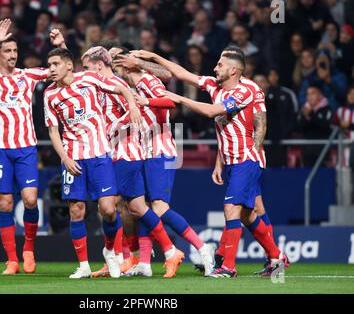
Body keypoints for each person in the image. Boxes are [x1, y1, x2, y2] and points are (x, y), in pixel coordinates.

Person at [132, 49, 288, 278]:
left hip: (246, 158)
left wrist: (176, 97)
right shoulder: (215, 86)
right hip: (231, 159)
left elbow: (212, 112)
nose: (215, 69)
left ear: (233, 70)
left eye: (220, 65)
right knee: (249, 214)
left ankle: (228, 267)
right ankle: (277, 257)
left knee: (232, 208)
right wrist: (153, 57)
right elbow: (183, 74)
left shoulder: (244, 91)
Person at [112, 49, 215, 277]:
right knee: (144, 207)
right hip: (148, 151)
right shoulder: (132, 87)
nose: (114, 67)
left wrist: (145, 100)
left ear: (127, 65)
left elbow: (170, 101)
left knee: (158, 207)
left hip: (161, 149)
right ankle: (146, 263)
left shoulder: (146, 80)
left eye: (117, 62)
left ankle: (202, 248)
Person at [44, 47, 140, 279]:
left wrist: (133, 105)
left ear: (69, 65)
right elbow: (54, 131)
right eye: (49, 65)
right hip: (73, 158)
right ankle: (84, 265)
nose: (51, 69)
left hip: (99, 155)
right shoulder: (49, 95)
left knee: (108, 210)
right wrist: (64, 157)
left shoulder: (88, 78)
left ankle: (109, 251)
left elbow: (121, 87)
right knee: (76, 211)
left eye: (55, 64)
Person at [0, 19, 51, 275]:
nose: (13, 56)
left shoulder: (28, 75)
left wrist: (61, 46)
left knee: (30, 199)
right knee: (4, 205)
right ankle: (12, 260)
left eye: (15, 51)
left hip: (25, 148)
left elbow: (61, 71)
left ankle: (28, 250)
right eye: (7, 51)